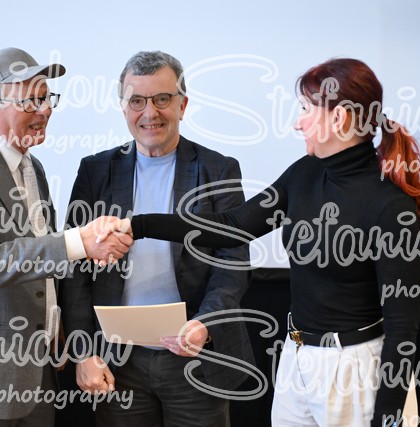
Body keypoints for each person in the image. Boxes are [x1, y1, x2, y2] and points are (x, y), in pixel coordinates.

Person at [111, 58, 420, 427]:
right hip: (297, 359)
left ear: (339, 118)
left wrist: (389, 417)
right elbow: (234, 226)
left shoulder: (390, 206)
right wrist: (139, 225)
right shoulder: (304, 174)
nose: (298, 122)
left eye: (306, 109)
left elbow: (402, 329)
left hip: (355, 370)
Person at [0, 47, 132, 427]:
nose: (44, 110)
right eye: (29, 101)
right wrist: (79, 242)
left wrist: (56, 324)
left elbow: (36, 260)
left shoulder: (33, 168)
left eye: (46, 98)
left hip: (36, 370)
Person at [59, 50, 255, 427]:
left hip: (196, 358)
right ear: (124, 108)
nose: (150, 112)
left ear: (183, 104)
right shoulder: (95, 171)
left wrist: (205, 323)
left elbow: (232, 264)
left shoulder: (218, 170)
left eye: (162, 98)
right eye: (137, 101)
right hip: (117, 360)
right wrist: (83, 351)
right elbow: (76, 270)